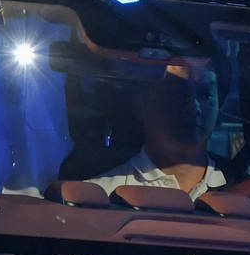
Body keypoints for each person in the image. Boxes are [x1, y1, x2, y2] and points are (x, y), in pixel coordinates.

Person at [83, 57, 230, 197]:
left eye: (205, 94)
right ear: (140, 103)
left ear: (220, 106)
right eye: (176, 92)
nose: (192, 107)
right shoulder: (98, 197)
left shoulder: (240, 192)